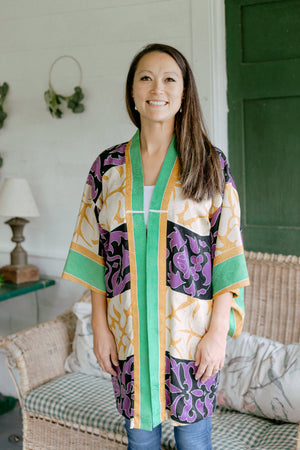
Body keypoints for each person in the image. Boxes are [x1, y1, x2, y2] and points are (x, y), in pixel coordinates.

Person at [62, 43, 249, 450]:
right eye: (145, 77)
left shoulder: (209, 164)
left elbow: (227, 251)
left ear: (183, 94)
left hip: (191, 335)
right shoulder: (107, 169)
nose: (157, 88)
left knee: (194, 443)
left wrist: (217, 333)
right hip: (129, 334)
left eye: (170, 79)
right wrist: (99, 327)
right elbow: (95, 253)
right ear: (132, 91)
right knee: (140, 442)